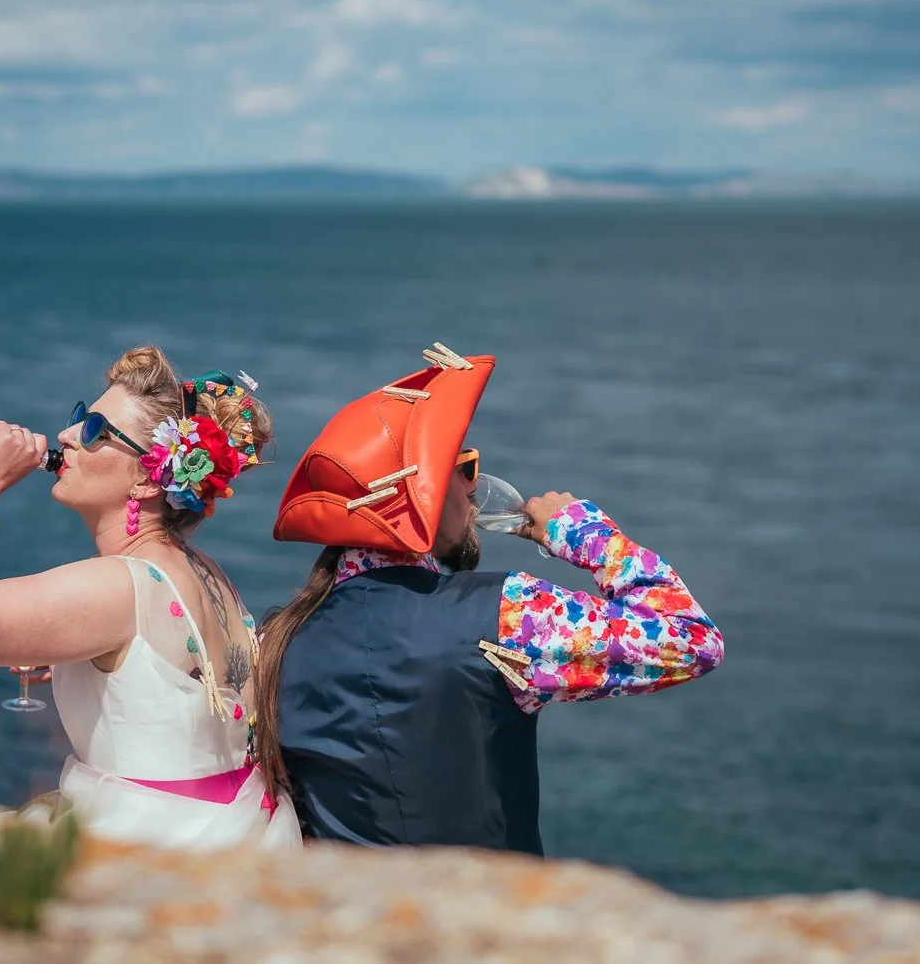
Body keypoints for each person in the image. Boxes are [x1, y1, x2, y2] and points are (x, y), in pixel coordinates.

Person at [253, 343, 723, 853]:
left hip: (350, 920)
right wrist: (583, 533)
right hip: (488, 921)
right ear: (426, 496)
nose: (475, 491)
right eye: (467, 467)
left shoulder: (279, 640)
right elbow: (693, 640)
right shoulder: (510, 614)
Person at [0, 346, 300, 849]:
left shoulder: (121, 584)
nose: (67, 436)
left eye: (94, 429)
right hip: (231, 826)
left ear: (144, 477)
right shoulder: (207, 572)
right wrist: (84, 662)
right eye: (79, 418)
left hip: (148, 840)